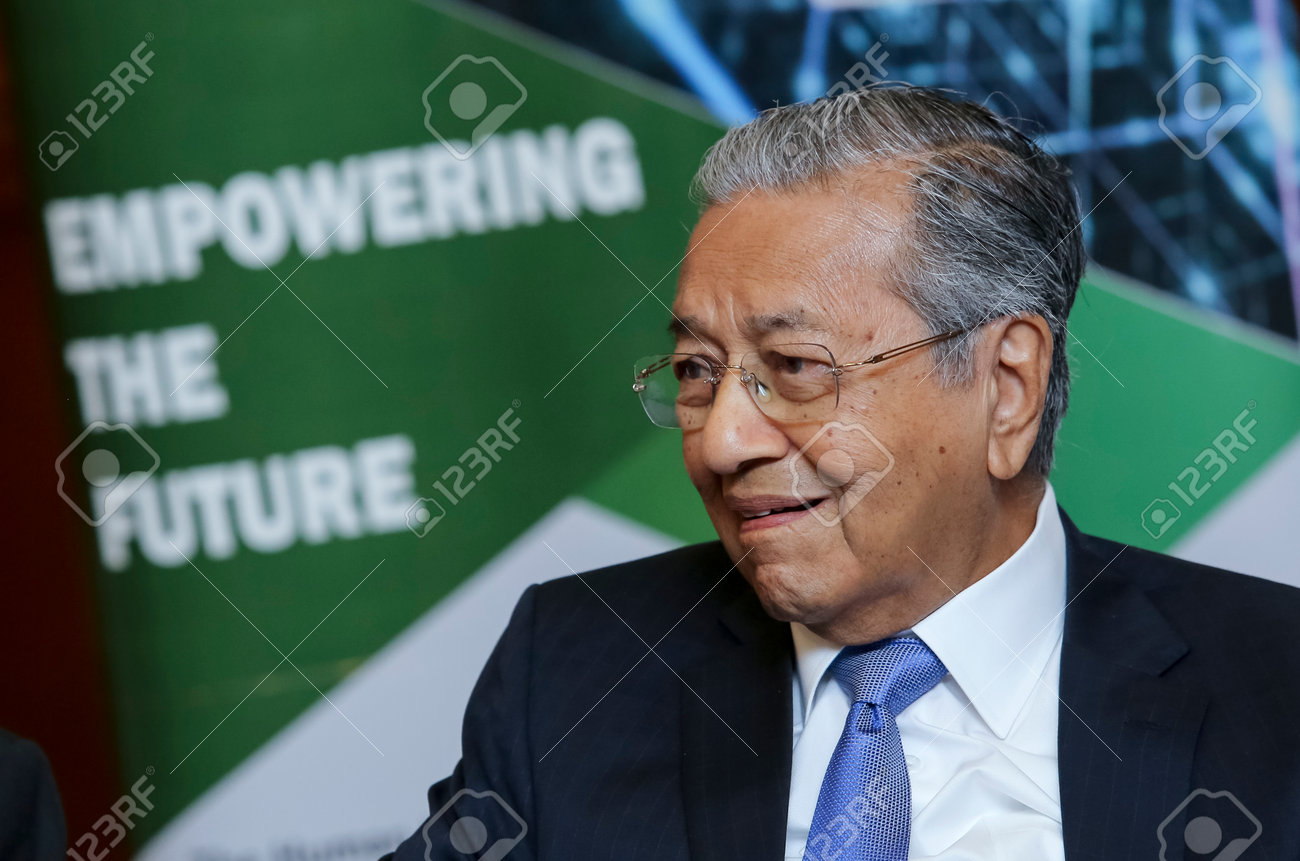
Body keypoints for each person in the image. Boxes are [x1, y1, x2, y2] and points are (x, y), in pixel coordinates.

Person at [385, 85, 1300, 860]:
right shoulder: (578, 672)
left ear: (1008, 388)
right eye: (698, 370)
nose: (721, 442)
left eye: (794, 367)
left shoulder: (1275, 687)